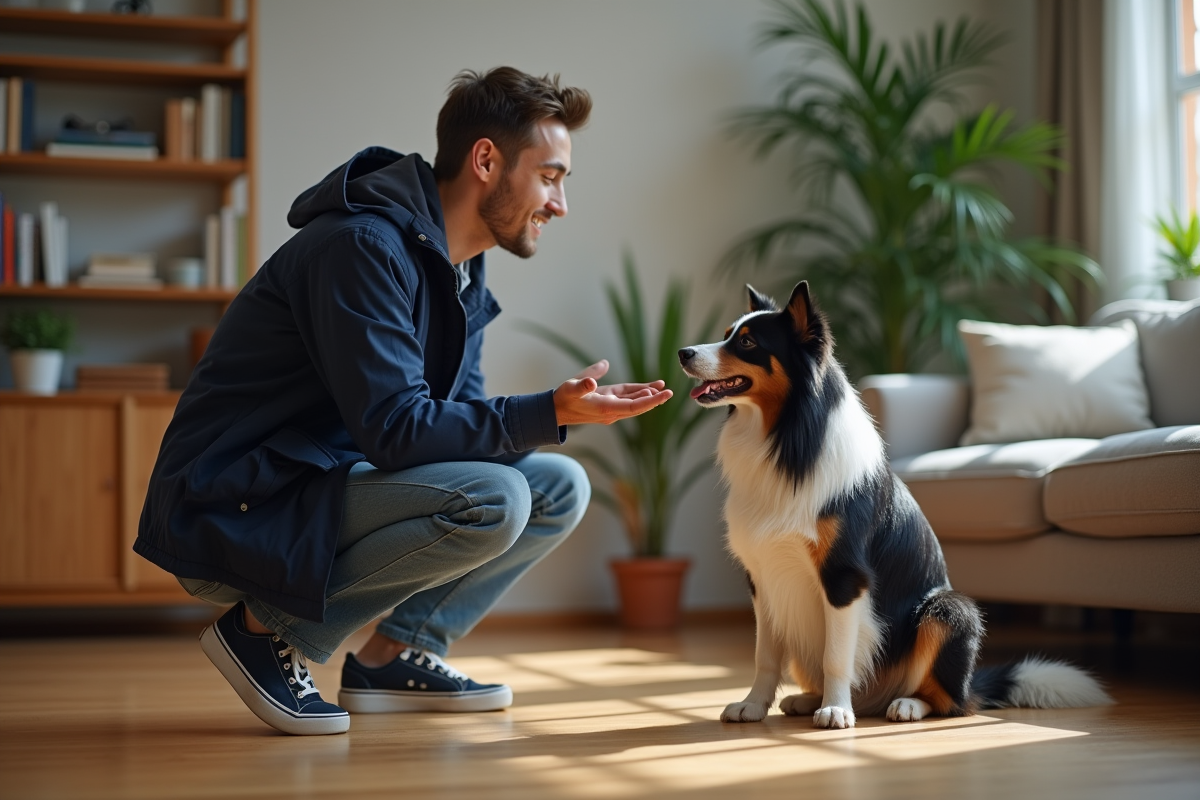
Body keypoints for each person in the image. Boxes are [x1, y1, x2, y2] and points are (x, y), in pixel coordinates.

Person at [134, 67, 672, 736]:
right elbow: (397, 431)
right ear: (486, 160)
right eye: (551, 176)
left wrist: (557, 413)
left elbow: (455, 427)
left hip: (323, 483)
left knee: (558, 484)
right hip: (239, 500)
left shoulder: (461, 269)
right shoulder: (363, 247)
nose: (558, 204)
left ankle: (393, 656)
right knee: (494, 501)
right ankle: (262, 631)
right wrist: (549, 411)